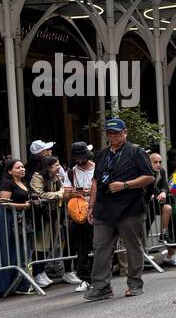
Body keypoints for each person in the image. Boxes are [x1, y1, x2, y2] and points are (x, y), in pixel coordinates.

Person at [85, 118, 155, 300]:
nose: (113, 136)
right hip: (103, 208)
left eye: (117, 132)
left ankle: (135, 283)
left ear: (125, 132)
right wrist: (91, 206)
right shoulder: (101, 155)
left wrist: (125, 185)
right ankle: (101, 287)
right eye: (110, 133)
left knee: (132, 247)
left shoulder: (136, 152)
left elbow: (149, 177)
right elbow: (95, 182)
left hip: (129, 208)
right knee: (100, 247)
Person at [0, 157, 33, 296]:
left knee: (20, 251)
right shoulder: (6, 183)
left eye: (22, 167)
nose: (22, 169)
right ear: (9, 171)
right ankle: (3, 286)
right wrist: (24, 206)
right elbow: (4, 203)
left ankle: (19, 283)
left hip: (19, 219)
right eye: (18, 167)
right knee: (6, 251)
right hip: (5, 218)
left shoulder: (23, 182)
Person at [28, 154, 68, 287]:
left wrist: (61, 193)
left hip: (55, 215)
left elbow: (63, 189)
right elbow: (39, 194)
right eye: (56, 165)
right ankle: (36, 272)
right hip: (41, 216)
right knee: (40, 245)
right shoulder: (37, 177)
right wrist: (59, 194)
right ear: (48, 167)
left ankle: (42, 271)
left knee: (49, 244)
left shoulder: (56, 178)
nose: (59, 167)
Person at [66, 142, 96, 292]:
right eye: (77, 158)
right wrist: (72, 193)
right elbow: (65, 193)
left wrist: (90, 193)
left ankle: (99, 276)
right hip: (79, 215)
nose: (79, 161)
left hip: (97, 212)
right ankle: (85, 278)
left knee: (98, 245)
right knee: (82, 248)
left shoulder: (97, 169)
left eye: (82, 157)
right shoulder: (71, 172)